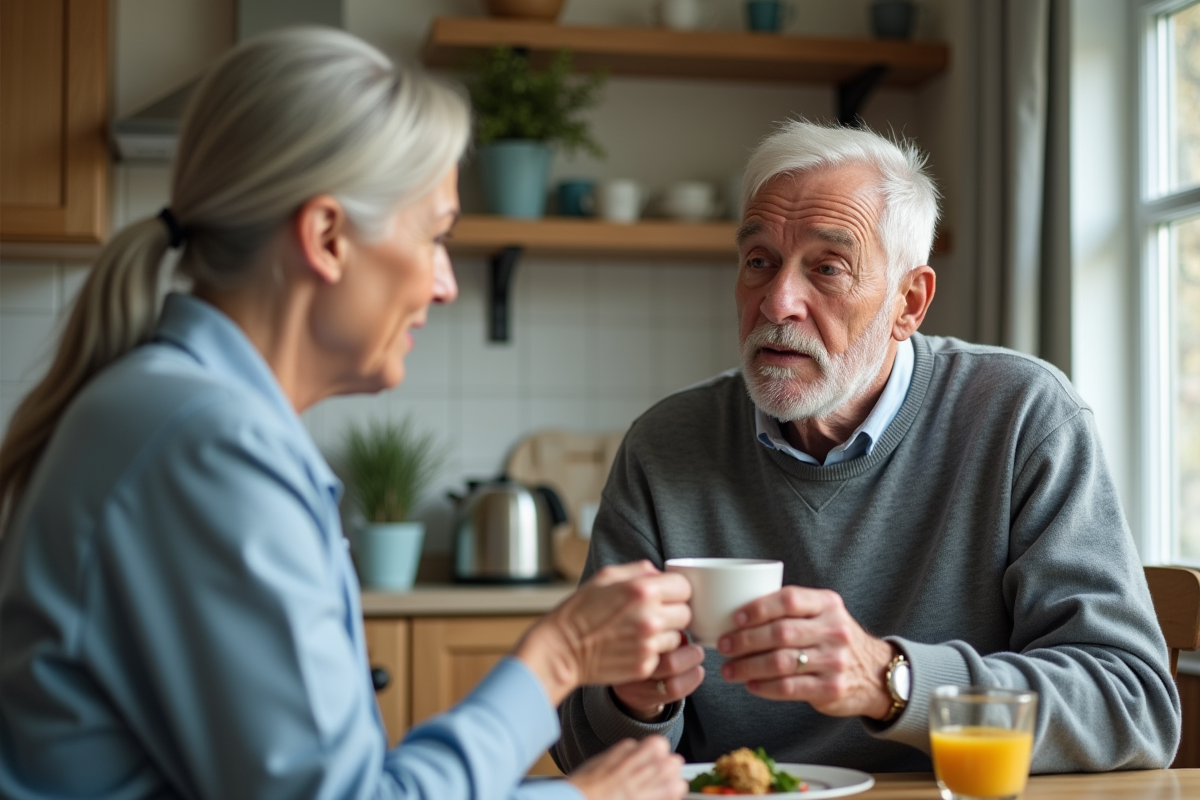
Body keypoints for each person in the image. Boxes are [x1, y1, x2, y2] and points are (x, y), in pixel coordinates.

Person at [0, 28, 692, 800]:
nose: (445, 283)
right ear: (327, 237)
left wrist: (577, 795)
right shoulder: (210, 443)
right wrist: (559, 656)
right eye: (435, 236)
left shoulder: (180, 413)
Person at [553, 120, 1181, 775]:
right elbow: (581, 753)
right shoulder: (666, 446)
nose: (777, 300)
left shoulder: (1022, 416)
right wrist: (634, 703)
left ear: (909, 303)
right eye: (758, 261)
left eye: (827, 268)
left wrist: (892, 680)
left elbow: (1132, 708)